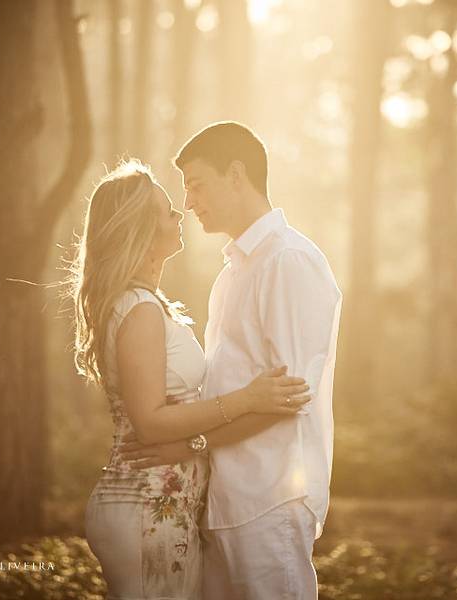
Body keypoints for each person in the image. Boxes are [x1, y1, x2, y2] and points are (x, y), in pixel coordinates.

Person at [70, 160, 312, 600]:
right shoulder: (139, 309)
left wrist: (199, 444)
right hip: (146, 505)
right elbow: (151, 423)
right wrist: (246, 399)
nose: (180, 213)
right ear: (142, 230)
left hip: (161, 505)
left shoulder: (146, 304)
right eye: (167, 210)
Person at [119, 122, 343, 599]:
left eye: (197, 185)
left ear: (236, 175)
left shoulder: (287, 261)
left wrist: (189, 446)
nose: (190, 202)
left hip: (271, 496)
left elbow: (287, 398)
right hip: (226, 499)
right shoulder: (233, 272)